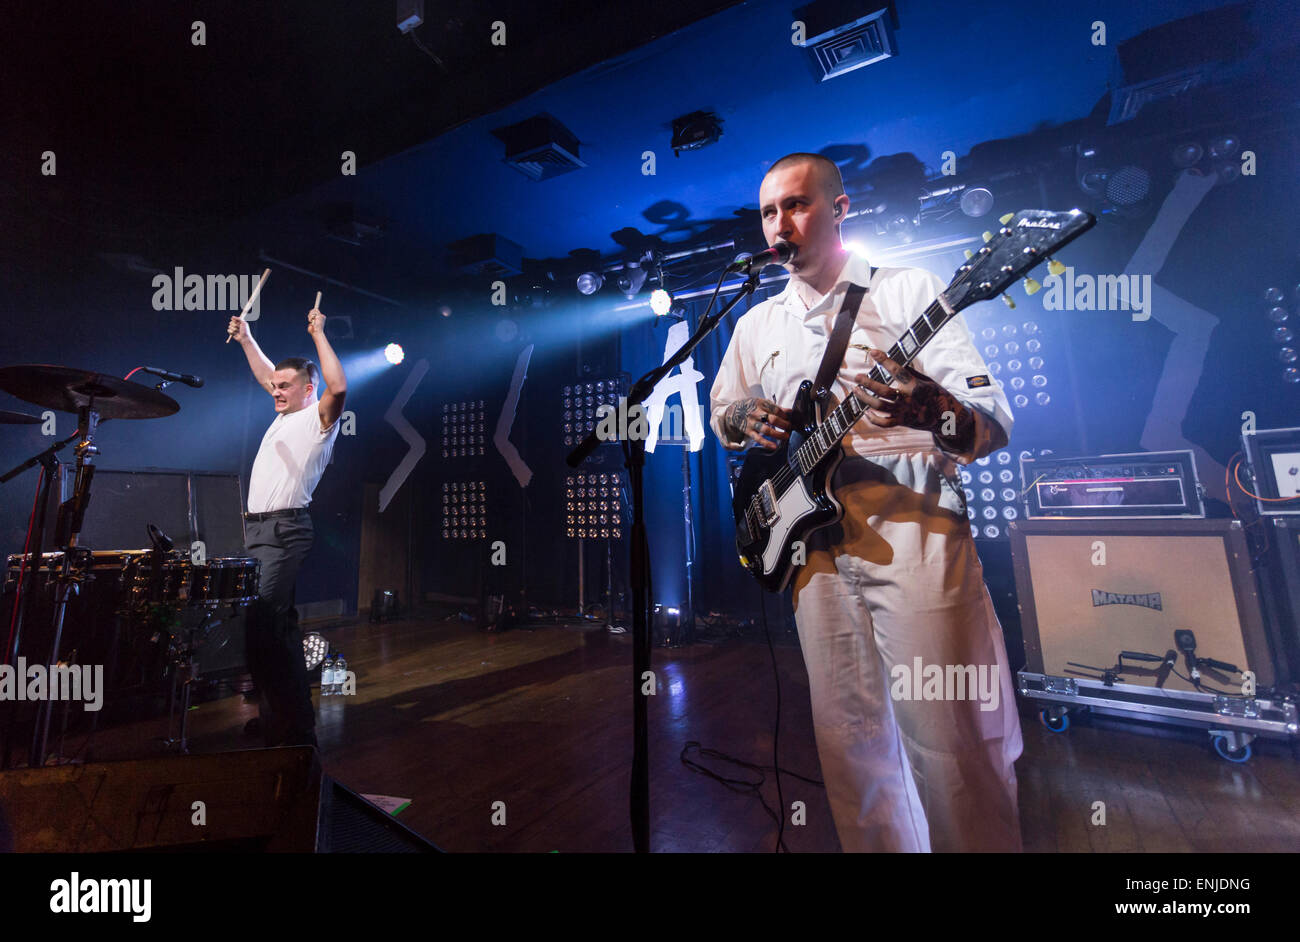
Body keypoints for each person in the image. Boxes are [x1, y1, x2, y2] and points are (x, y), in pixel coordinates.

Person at [709, 153, 1023, 852]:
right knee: (850, 745)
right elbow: (723, 413)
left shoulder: (908, 289)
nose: (778, 223)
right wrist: (745, 419)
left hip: (914, 529)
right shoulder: (756, 323)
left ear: (840, 208)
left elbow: (990, 419)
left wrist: (928, 404)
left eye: (796, 205)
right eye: (768, 211)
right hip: (811, 549)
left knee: (952, 739)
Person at [228, 304, 346, 748]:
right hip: (259, 532)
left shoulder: (318, 420)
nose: (274, 391)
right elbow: (264, 374)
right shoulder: (283, 414)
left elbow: (339, 385)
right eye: (273, 386)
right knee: (276, 629)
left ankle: (293, 726)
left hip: (285, 532)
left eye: (284, 386)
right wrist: (246, 338)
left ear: (307, 389)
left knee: (263, 625)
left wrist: (319, 332)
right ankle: (286, 719)